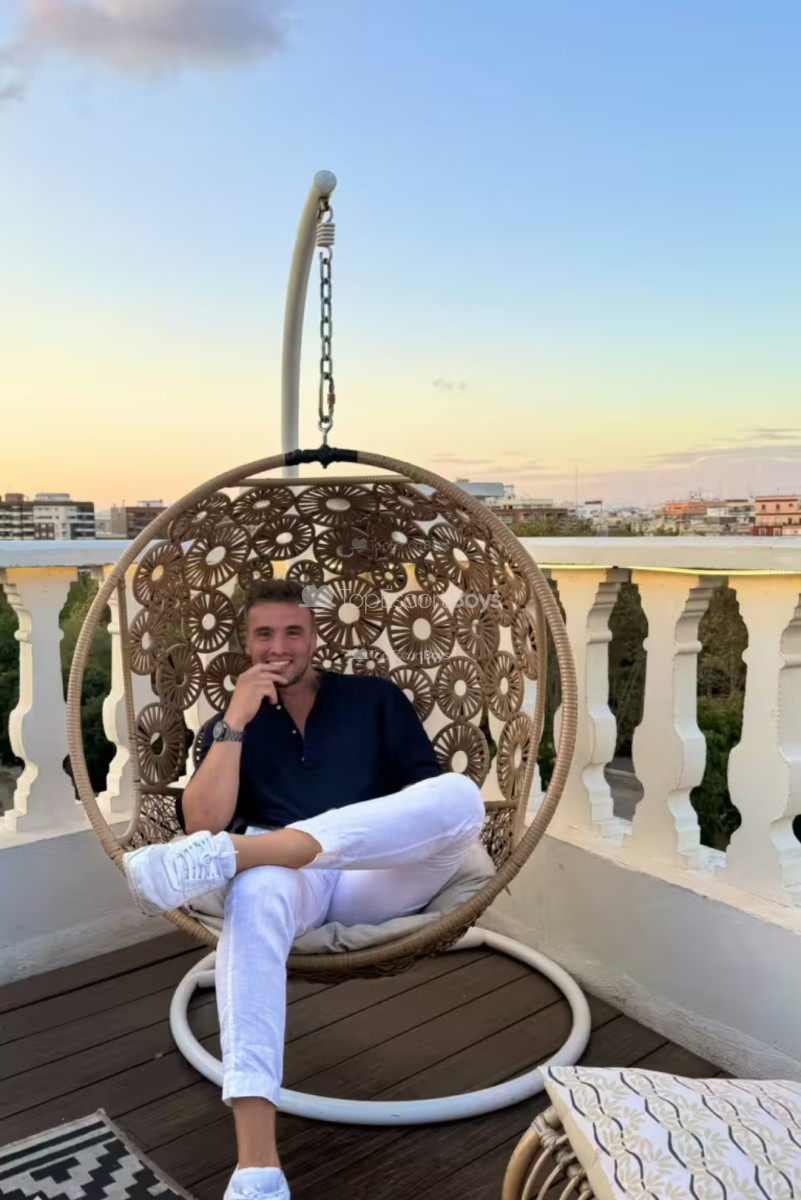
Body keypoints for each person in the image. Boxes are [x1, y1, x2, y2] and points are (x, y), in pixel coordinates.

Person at [122, 578, 486, 1200]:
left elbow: (424, 803)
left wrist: (288, 843)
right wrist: (236, 720)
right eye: (264, 634)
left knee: (460, 796)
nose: (279, 647)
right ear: (245, 643)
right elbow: (202, 825)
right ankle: (256, 1169)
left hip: (377, 870)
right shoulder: (228, 725)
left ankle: (246, 853)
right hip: (293, 881)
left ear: (316, 638)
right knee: (257, 893)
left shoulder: (374, 698)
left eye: (293, 632)